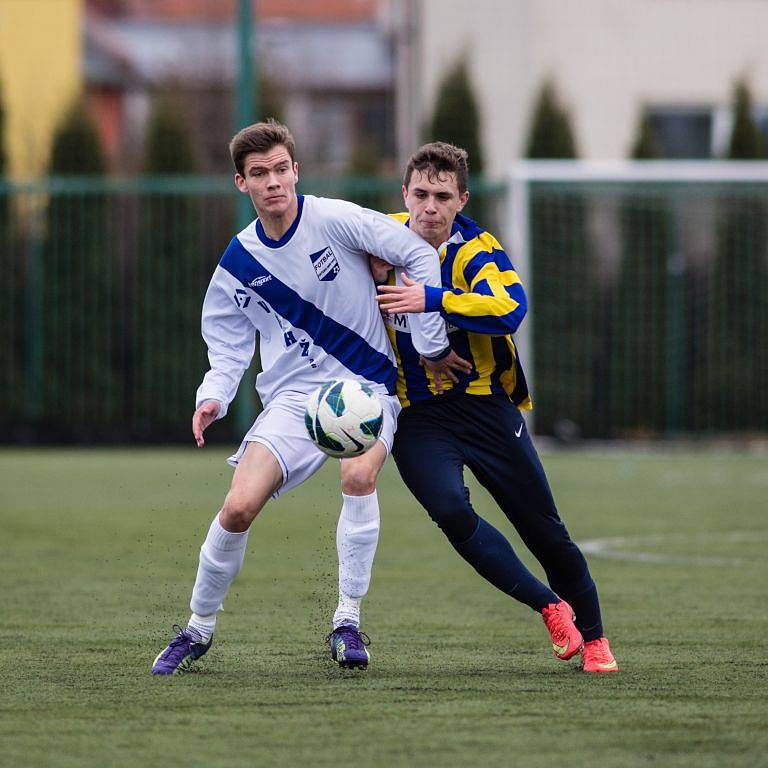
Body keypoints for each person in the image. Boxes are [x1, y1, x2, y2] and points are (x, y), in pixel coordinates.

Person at [151, 121, 469, 675]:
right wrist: (214, 395)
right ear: (241, 184)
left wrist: (429, 341)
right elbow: (226, 342)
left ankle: (347, 621)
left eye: (280, 169)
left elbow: (419, 253)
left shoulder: (336, 219)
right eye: (259, 174)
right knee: (238, 506)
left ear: (296, 171)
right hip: (292, 399)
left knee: (358, 477)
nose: (272, 182)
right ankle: (197, 628)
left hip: (368, 384)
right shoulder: (238, 264)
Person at [373, 142, 619, 673]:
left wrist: (432, 300)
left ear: (462, 199)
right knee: (451, 511)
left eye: (442, 196)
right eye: (420, 194)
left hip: (487, 410)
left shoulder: (476, 248)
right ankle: (551, 608)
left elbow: (511, 307)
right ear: (404, 195)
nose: (430, 207)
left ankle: (596, 639)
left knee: (544, 531)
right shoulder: (376, 240)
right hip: (417, 419)